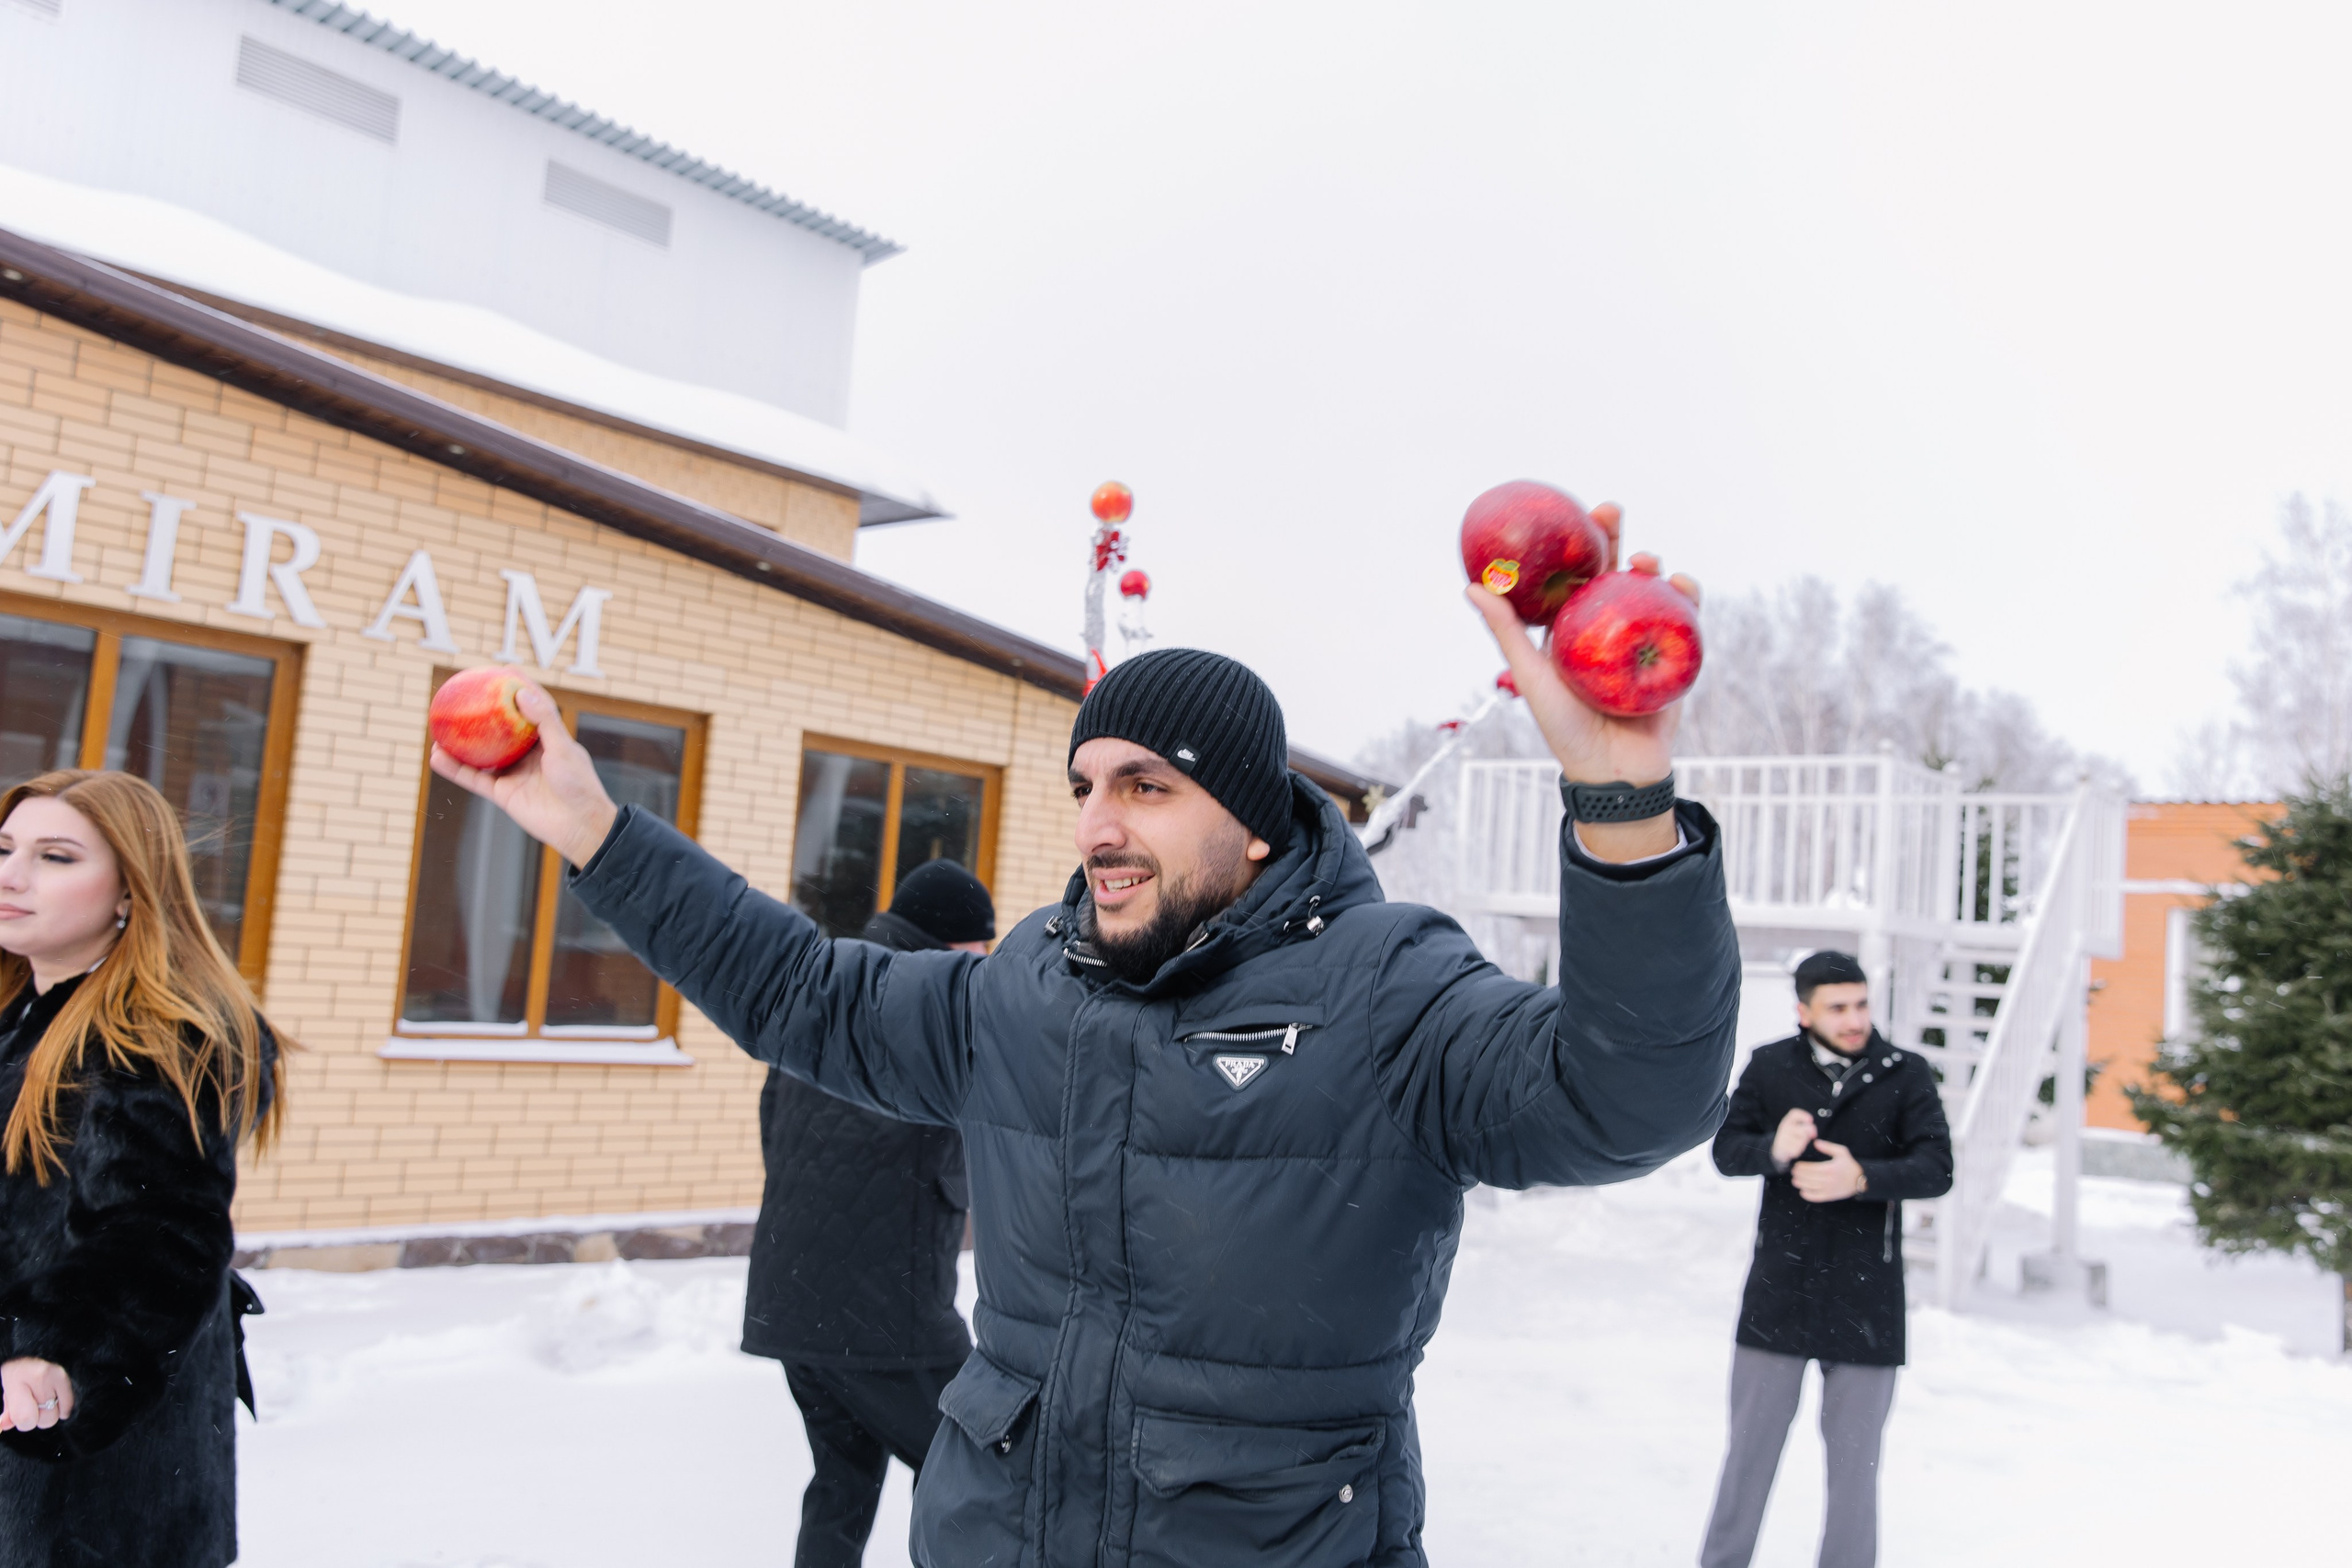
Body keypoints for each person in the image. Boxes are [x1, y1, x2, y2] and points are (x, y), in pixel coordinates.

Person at [432, 536, 1740, 1568]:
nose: (1097, 825)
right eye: (1086, 786)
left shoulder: (1386, 988)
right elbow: (800, 991)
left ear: (1256, 823)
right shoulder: (1025, 989)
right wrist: (593, 826)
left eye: (1147, 785)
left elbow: (1625, 1098)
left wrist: (1622, 807)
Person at [0, 770, 285, 1568]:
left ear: (131, 890)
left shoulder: (153, 1037)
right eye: (5, 848)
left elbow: (163, 1233)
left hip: (80, 1494)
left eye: (56, 856)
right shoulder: (29, 1015)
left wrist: (62, 1354)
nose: (13, 874)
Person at [749, 857, 991, 1568]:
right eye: (980, 945)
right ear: (946, 940)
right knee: (982, 1473)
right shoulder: (933, 1003)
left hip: (792, 1306)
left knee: (842, 1483)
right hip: (887, 1320)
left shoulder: (827, 981)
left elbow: (773, 1120)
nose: (985, 961)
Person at [1699, 950, 1953, 1568]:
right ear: (1804, 1010)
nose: (1854, 1019)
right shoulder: (1769, 1066)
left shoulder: (1906, 1073)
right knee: (1748, 1457)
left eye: (1861, 1004)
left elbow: (1937, 1168)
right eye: (1837, 1007)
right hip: (1778, 1295)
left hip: (1867, 1303)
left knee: (1855, 1472)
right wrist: (1774, 1148)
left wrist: (1862, 1177)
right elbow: (1727, 1151)